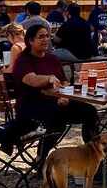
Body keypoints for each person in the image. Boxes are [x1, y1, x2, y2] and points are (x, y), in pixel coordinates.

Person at [7, 24, 99, 153]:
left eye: (47, 36)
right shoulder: (23, 60)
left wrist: (64, 96)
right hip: (31, 107)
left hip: (55, 103)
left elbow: (64, 82)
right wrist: (48, 78)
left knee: (90, 111)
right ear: (30, 41)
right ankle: (41, 158)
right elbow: (31, 80)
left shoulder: (53, 59)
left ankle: (92, 153)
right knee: (57, 119)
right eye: (41, 37)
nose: (46, 39)